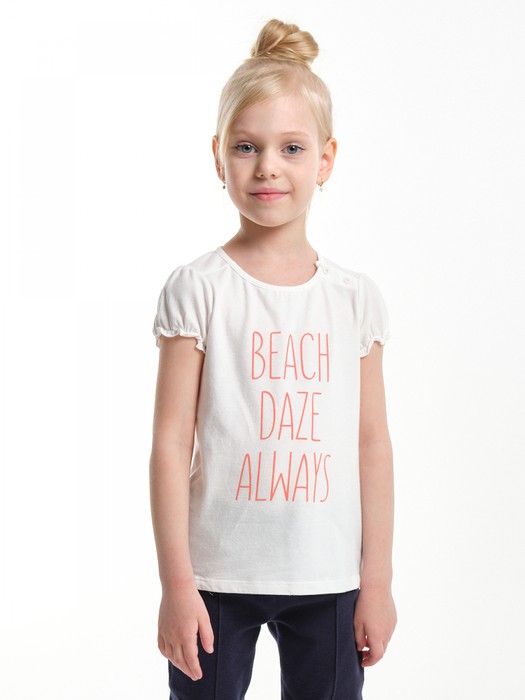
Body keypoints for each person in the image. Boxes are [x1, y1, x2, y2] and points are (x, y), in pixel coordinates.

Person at [149, 18, 397, 700]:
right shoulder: (198, 289)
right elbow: (169, 443)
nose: (267, 166)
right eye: (246, 147)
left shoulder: (353, 299)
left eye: (291, 147)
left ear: (325, 159)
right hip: (215, 577)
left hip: (328, 578)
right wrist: (176, 585)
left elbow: (371, 444)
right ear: (218, 156)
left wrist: (376, 581)